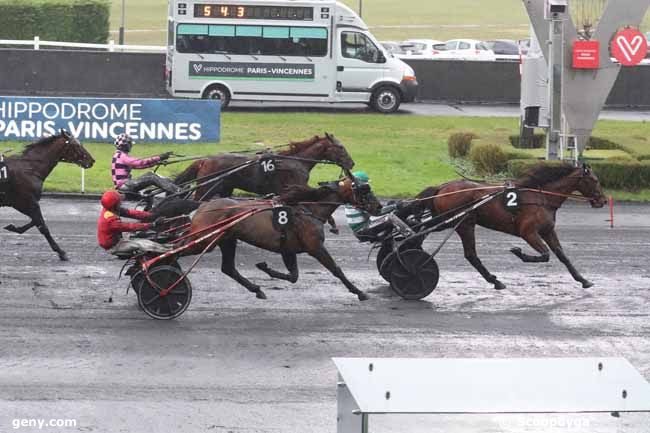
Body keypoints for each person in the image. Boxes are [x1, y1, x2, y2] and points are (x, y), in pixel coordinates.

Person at [345, 171, 415, 242]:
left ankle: (401, 228)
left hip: (363, 228)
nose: (368, 185)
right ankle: (411, 236)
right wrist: (395, 206)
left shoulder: (352, 196)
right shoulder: (359, 198)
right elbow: (378, 212)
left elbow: (377, 210)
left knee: (390, 210)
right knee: (391, 218)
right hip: (363, 231)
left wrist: (391, 206)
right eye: (366, 183)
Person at [97, 190, 169, 256]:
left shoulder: (110, 209)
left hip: (117, 240)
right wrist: (153, 224)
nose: (121, 203)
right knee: (144, 244)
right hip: (114, 247)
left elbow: (132, 213)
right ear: (114, 205)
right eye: (119, 202)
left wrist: (152, 215)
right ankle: (169, 250)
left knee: (145, 238)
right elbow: (131, 226)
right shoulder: (110, 220)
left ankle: (167, 248)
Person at [111, 133, 181, 195]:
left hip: (125, 185)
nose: (131, 145)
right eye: (130, 144)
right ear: (125, 145)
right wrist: (159, 157)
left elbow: (140, 166)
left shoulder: (118, 155)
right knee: (152, 177)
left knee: (150, 174)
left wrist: (156, 162)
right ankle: (178, 191)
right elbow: (140, 163)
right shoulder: (122, 156)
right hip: (125, 185)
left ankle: (172, 186)